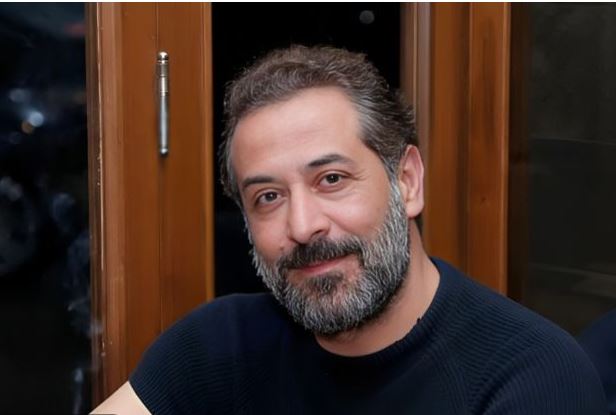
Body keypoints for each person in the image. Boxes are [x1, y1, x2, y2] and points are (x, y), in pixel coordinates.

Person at [93, 45, 608, 414]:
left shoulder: (532, 377)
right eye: (268, 197)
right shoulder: (217, 346)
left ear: (407, 182)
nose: (303, 226)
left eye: (332, 179)